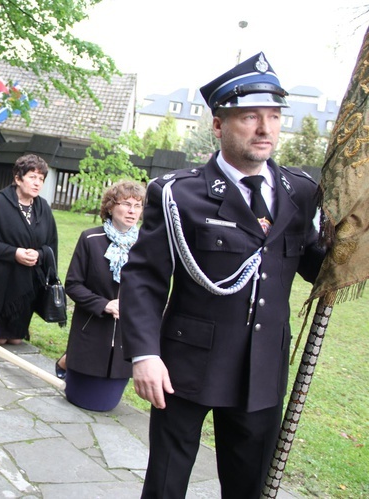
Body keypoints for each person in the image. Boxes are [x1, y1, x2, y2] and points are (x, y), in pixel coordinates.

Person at [119, 52, 326, 498]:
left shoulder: (300, 191)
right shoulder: (178, 194)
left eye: (273, 116)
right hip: (186, 365)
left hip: (262, 366)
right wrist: (144, 354)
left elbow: (313, 264)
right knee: (166, 486)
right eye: (250, 116)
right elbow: (145, 278)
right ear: (218, 125)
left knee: (248, 487)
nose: (265, 129)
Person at [56, 181, 145, 411]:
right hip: (91, 332)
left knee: (106, 405)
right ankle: (67, 363)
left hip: (126, 338)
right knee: (82, 401)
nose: (132, 210)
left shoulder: (146, 245)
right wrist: (104, 305)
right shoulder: (90, 239)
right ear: (110, 207)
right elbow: (73, 285)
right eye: (126, 204)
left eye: (138, 205)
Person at [0, 154, 58, 345]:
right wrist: (14, 253)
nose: (37, 183)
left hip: (28, 284)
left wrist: (39, 254)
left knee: (15, 340)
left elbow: (51, 245)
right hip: (1, 280)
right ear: (18, 178)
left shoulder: (43, 208)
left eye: (41, 178)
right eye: (32, 177)